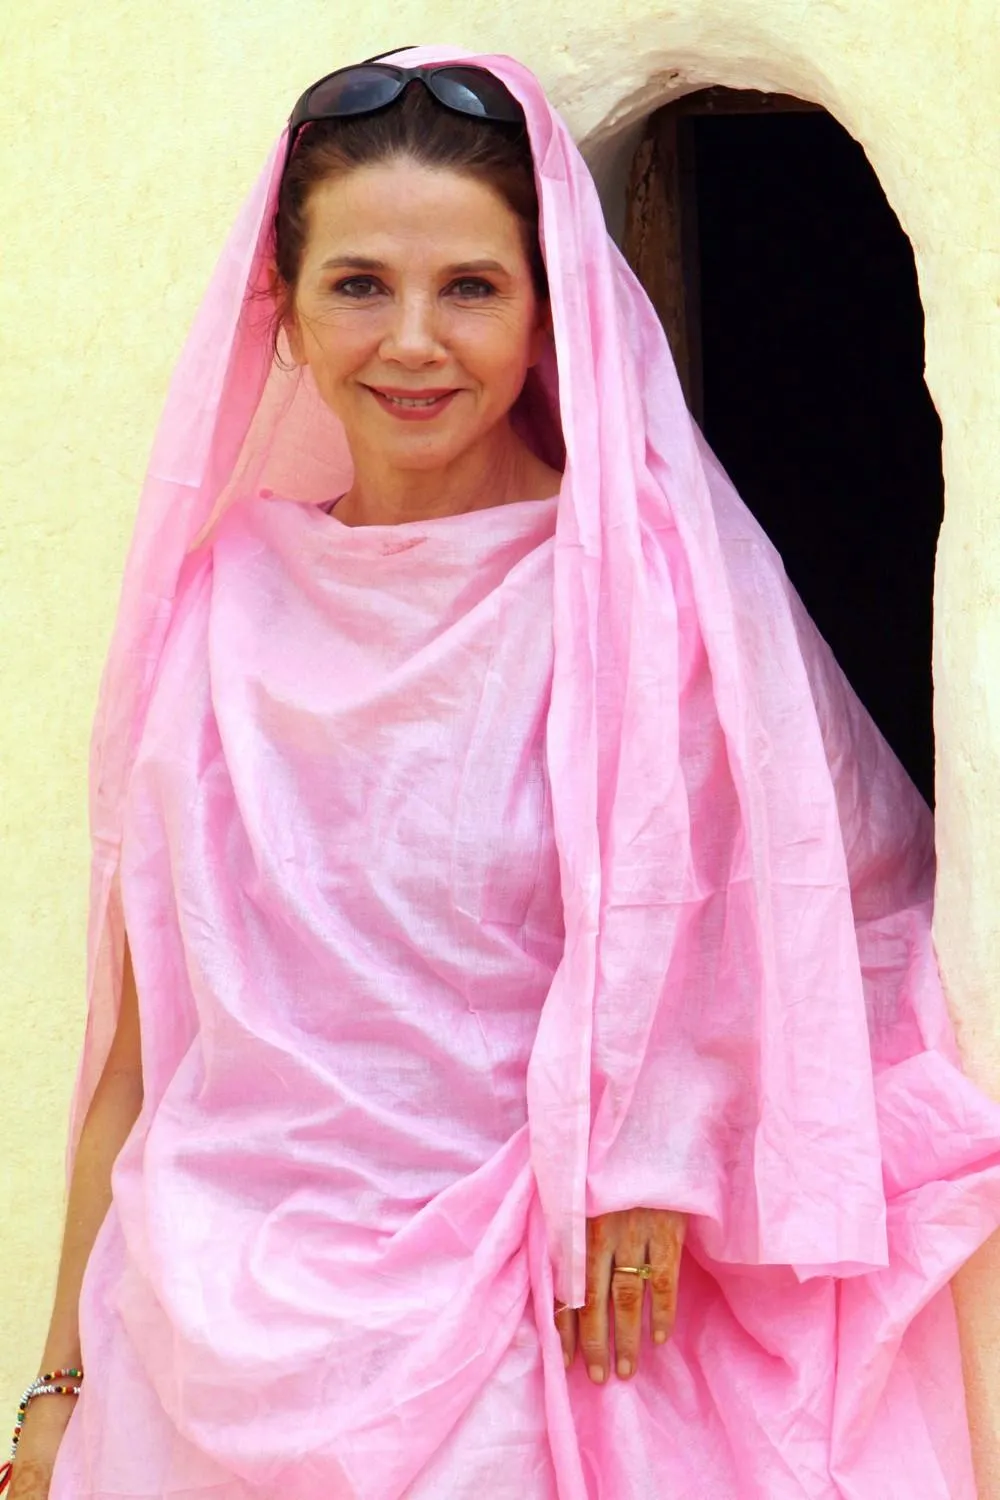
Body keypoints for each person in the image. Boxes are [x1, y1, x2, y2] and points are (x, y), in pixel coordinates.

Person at [7, 43, 1000, 1500]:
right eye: (361, 284)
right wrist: (54, 1390)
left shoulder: (651, 603)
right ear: (281, 308)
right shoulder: (221, 608)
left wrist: (662, 1115)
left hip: (530, 1344)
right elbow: (149, 1061)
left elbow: (818, 902)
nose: (413, 339)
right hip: (194, 1361)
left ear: (550, 315)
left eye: (469, 286)